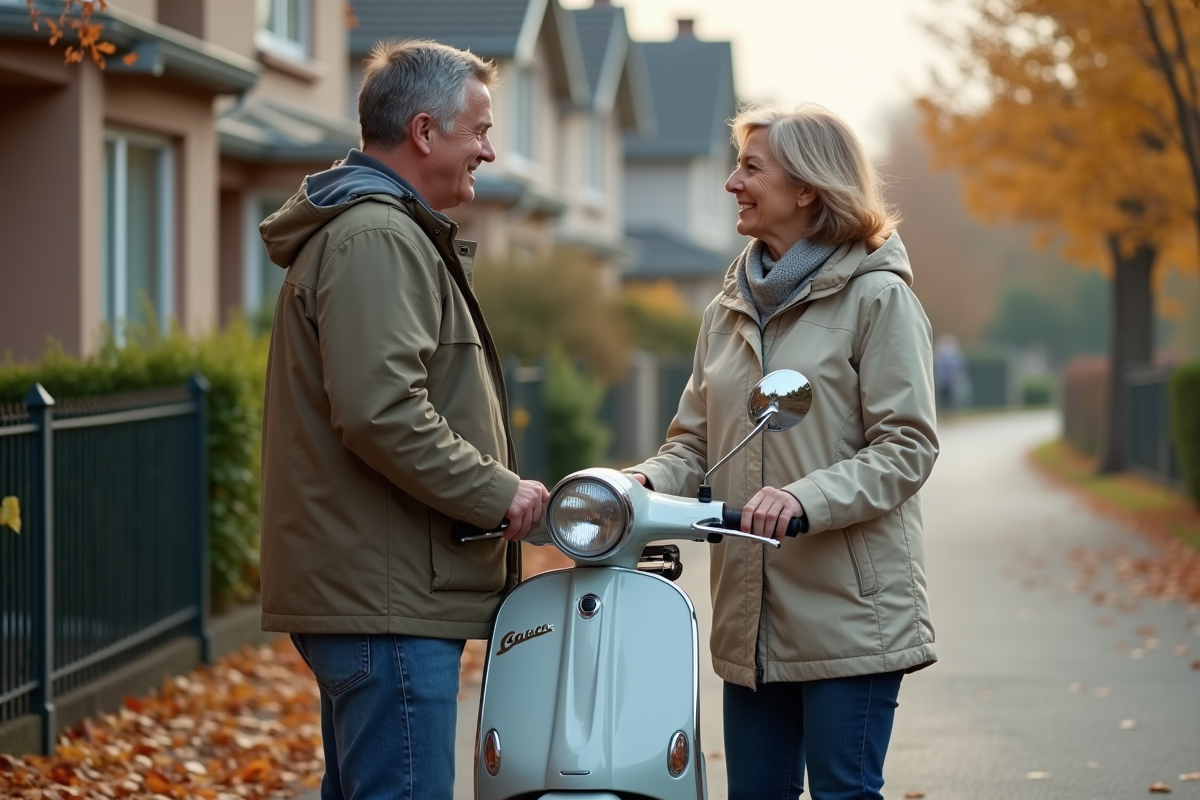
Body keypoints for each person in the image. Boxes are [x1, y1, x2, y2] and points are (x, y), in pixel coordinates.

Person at [257, 40, 548, 800]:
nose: (488, 150)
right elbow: (382, 412)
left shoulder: (383, 232)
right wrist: (498, 491)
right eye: (478, 130)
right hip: (386, 600)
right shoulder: (378, 238)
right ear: (424, 132)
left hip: (383, 592)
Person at [627, 103, 939, 800]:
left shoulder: (877, 298)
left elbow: (907, 446)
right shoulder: (727, 310)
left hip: (850, 615)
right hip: (750, 618)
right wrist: (635, 486)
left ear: (807, 189)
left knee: (842, 793)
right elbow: (696, 443)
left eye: (749, 167)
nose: (732, 182)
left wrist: (805, 497)